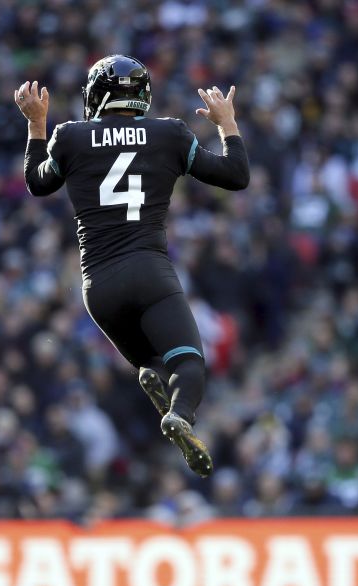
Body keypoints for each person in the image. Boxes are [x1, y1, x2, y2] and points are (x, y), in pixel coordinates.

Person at [15, 55, 250, 477]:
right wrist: (226, 123)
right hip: (149, 273)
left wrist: (36, 126)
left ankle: (153, 377)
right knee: (187, 362)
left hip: (98, 286)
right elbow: (235, 175)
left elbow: (36, 182)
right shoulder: (169, 135)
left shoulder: (70, 136)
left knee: (151, 362)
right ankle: (180, 413)